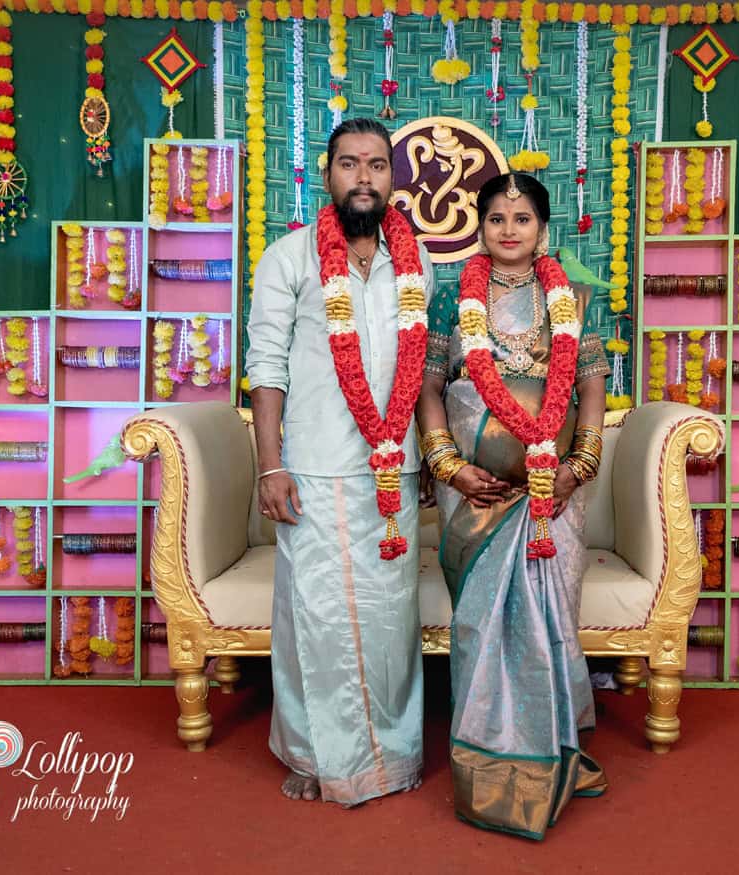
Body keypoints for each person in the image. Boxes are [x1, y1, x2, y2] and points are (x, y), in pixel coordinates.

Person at [246, 117, 436, 806]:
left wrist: (430, 465)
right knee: (315, 618)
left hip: (394, 471)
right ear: (326, 175)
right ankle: (309, 752)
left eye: (377, 164)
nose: (364, 176)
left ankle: (392, 754)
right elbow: (266, 368)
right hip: (315, 465)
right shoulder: (289, 258)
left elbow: (422, 376)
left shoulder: (416, 264)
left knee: (390, 620)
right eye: (350, 163)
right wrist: (271, 465)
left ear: (392, 178)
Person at [415, 172, 610, 839]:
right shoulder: (449, 299)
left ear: (541, 228)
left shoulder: (576, 299)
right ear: (479, 226)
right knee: (480, 625)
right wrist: (449, 464)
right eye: (495, 217)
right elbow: (431, 388)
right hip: (470, 491)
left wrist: (576, 468)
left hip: (552, 491)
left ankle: (551, 754)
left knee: (548, 617)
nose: (507, 230)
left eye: (520, 218)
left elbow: (588, 392)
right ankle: (486, 769)